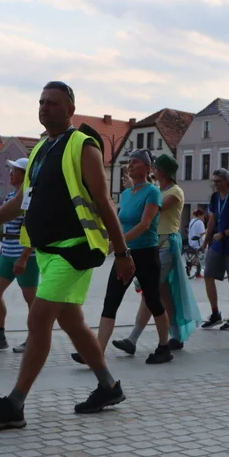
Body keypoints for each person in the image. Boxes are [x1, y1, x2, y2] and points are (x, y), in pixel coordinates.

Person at [0, 81, 135, 430]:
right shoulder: (41, 150)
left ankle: (15, 404)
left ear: (71, 109)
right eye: (41, 102)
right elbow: (20, 202)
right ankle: (108, 387)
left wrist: (122, 252)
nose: (44, 108)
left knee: (38, 319)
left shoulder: (83, 146)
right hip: (47, 252)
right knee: (72, 322)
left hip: (75, 250)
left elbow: (104, 203)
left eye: (53, 103)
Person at [77, 149, 174, 365]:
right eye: (128, 162)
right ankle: (96, 351)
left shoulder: (153, 192)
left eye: (136, 162)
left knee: (153, 301)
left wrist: (118, 243)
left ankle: (164, 346)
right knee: (111, 300)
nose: (130, 165)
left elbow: (145, 224)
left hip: (147, 253)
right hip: (126, 253)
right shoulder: (125, 194)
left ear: (148, 168)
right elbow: (118, 223)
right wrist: (108, 239)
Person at [113, 154, 200, 354]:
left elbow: (154, 208)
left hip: (165, 245)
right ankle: (176, 336)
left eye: (155, 167)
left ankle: (133, 339)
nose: (153, 169)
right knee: (163, 294)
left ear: (160, 171)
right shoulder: (157, 190)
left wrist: (137, 190)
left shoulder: (174, 192)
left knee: (150, 292)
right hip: (155, 246)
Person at [0, 158, 38, 353]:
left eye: (15, 170)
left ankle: (35, 338)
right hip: (6, 253)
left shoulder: (31, 195)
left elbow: (33, 228)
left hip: (26, 256)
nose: (11, 173)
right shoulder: (10, 197)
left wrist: (23, 257)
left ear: (25, 173)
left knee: (32, 299)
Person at [200, 169, 229, 330]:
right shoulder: (214, 198)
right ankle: (215, 314)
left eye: (219, 181)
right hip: (217, 243)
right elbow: (212, 220)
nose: (216, 184)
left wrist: (225, 233)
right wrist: (205, 241)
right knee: (208, 276)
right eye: (214, 181)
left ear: (227, 181)